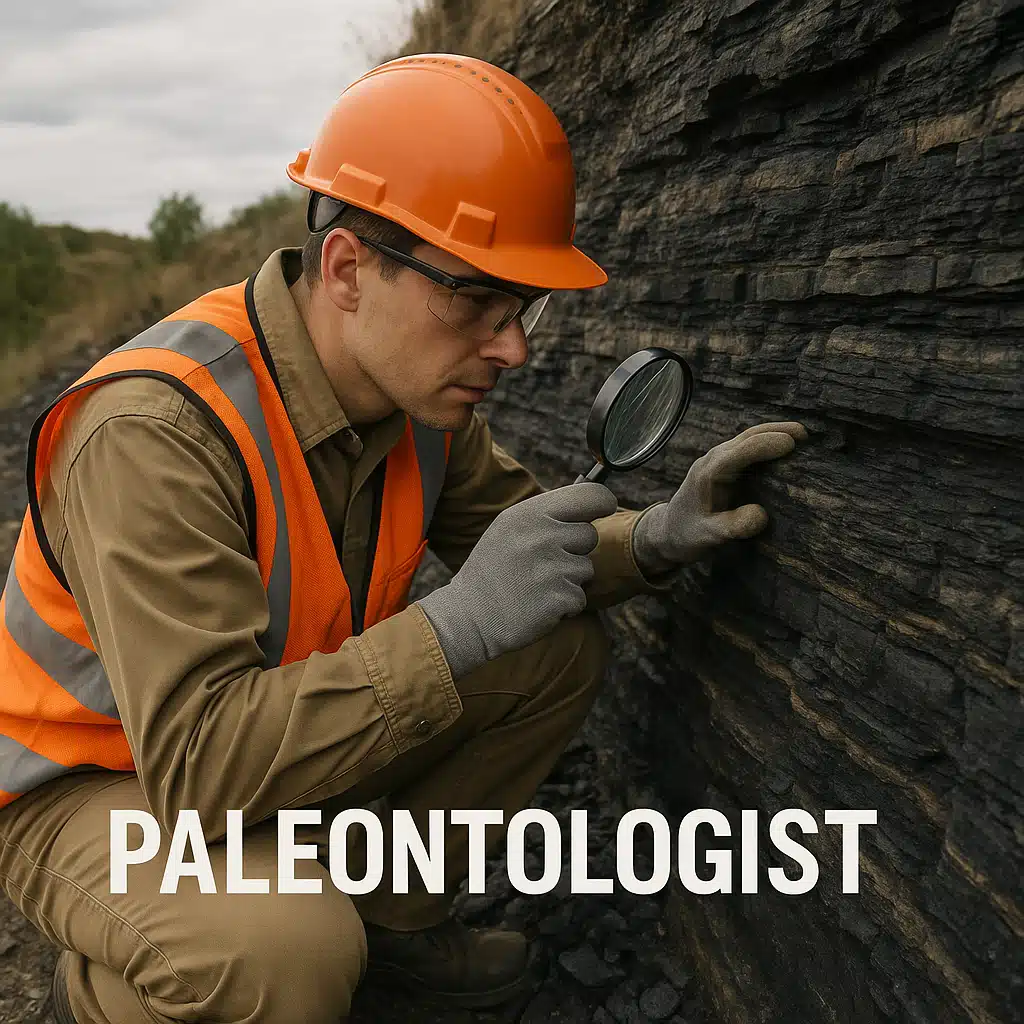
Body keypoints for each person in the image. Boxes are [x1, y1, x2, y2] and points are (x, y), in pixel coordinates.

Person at [0, 54, 806, 1024]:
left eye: (522, 308)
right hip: (90, 782)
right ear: (345, 270)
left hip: (251, 746)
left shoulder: (418, 400)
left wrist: (657, 537)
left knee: (549, 646)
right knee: (282, 948)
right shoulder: (156, 430)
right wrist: (457, 622)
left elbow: (528, 559)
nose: (512, 348)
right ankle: (106, 992)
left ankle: (392, 933)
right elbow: (202, 768)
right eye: (475, 301)